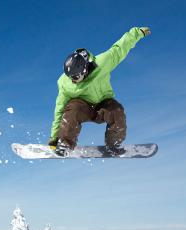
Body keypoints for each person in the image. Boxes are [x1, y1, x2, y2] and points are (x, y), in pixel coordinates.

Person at [47, 27, 151, 157]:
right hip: (83, 108)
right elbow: (59, 108)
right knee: (72, 107)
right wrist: (54, 137)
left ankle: (113, 144)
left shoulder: (103, 62)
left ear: (84, 70)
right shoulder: (64, 83)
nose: (73, 81)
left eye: (76, 77)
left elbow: (119, 49)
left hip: (104, 104)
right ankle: (65, 144)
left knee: (116, 110)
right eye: (70, 77)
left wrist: (137, 33)